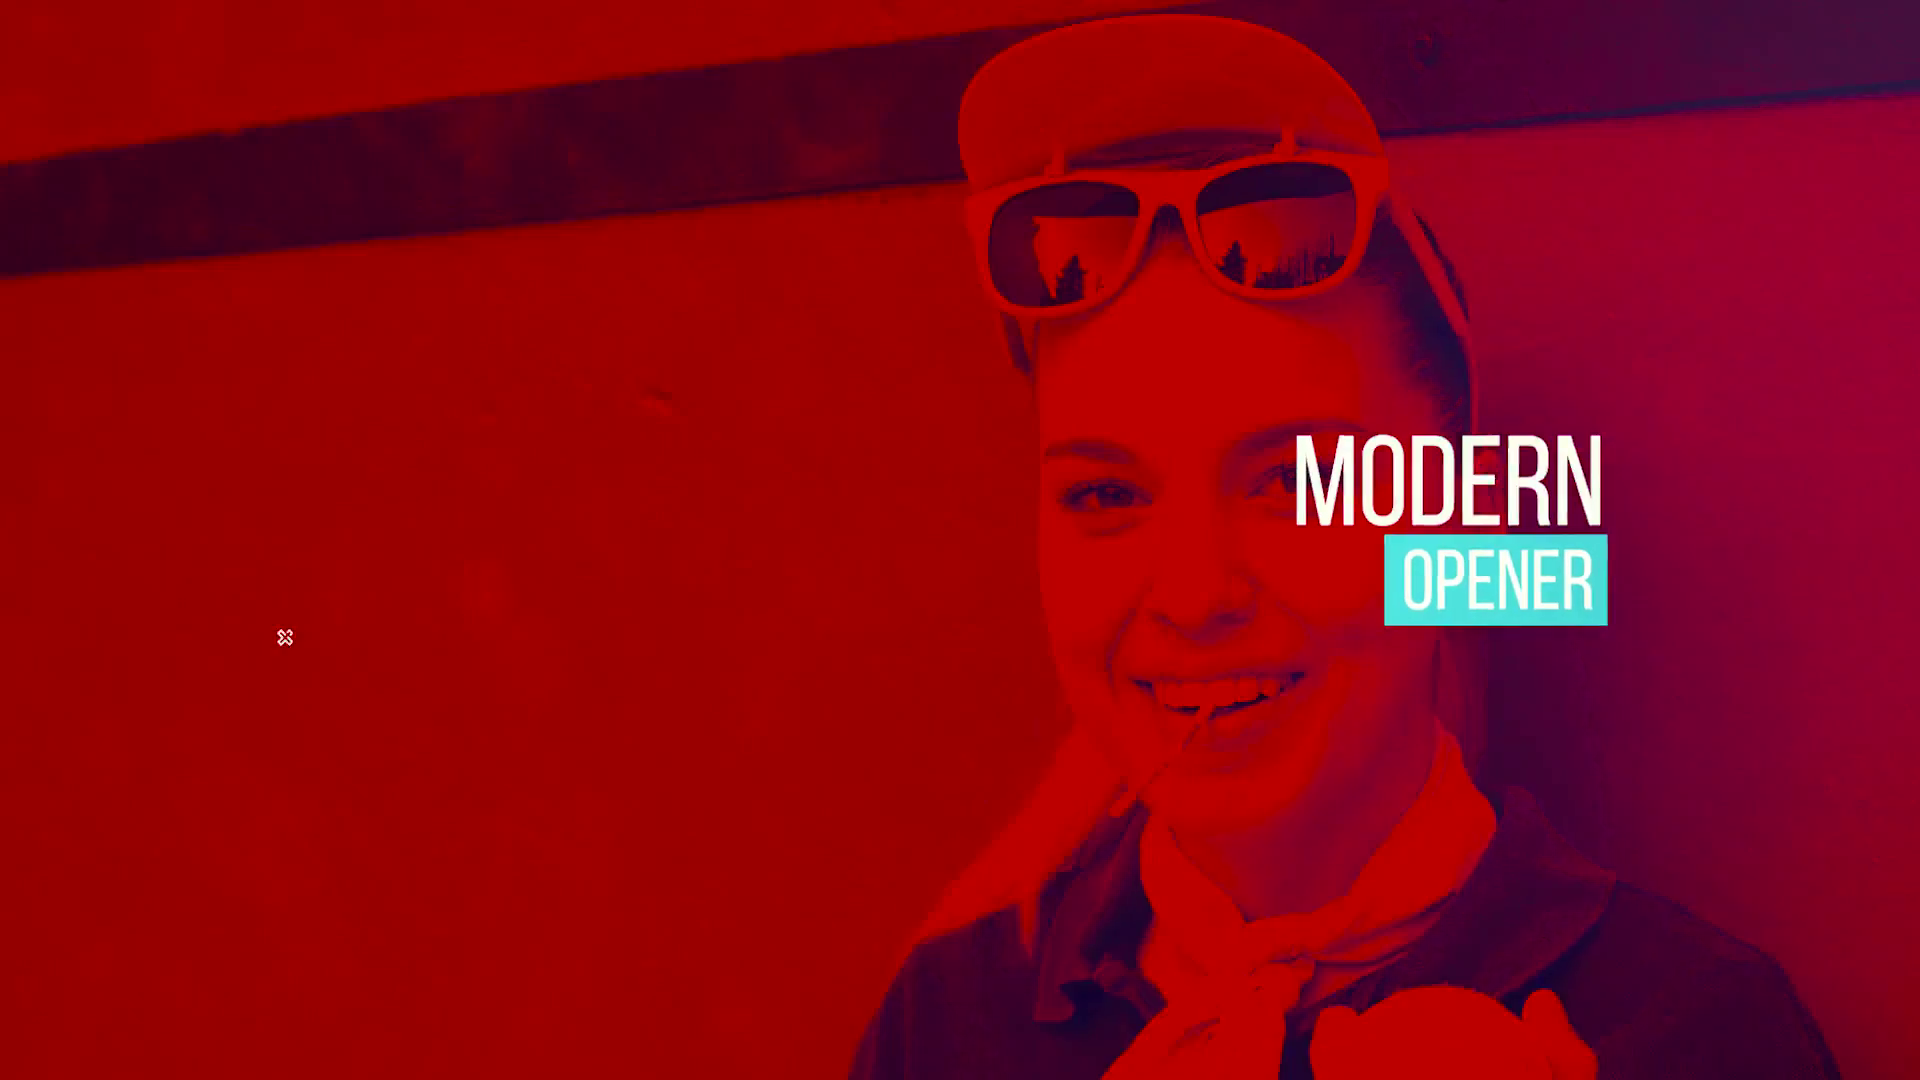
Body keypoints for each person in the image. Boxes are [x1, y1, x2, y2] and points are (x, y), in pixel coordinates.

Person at [849, 14, 1841, 1079]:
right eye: (1105, 493)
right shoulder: (944, 1023)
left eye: (1292, 482)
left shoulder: (1697, 1034)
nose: (1193, 593)